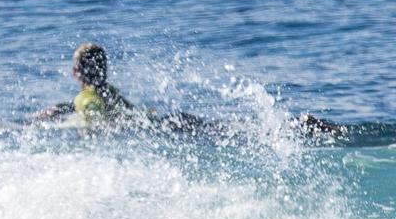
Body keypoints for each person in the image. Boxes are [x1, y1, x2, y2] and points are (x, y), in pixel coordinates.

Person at [34, 43, 346, 137]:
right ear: (105, 71)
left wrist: (67, 115)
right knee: (226, 129)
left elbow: (94, 116)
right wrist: (63, 109)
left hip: (160, 127)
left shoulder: (85, 100)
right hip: (168, 119)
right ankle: (297, 126)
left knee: (229, 133)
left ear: (75, 72)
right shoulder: (107, 91)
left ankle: (296, 128)